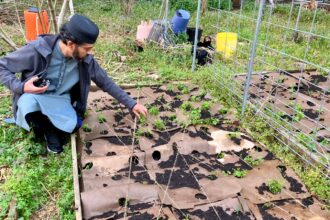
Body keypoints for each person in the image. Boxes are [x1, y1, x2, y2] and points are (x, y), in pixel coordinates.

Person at [0, 14, 148, 154]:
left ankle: (50, 127)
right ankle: (47, 130)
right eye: (87, 49)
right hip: (36, 97)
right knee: (27, 104)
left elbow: (106, 83)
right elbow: (2, 66)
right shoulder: (38, 50)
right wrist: (21, 87)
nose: (90, 52)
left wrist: (132, 104)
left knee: (74, 126)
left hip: (61, 100)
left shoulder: (86, 61)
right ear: (70, 44)